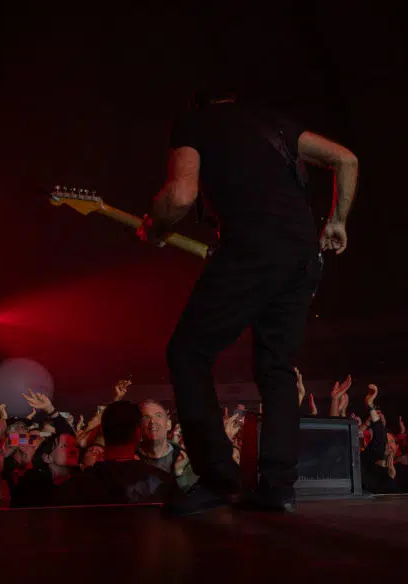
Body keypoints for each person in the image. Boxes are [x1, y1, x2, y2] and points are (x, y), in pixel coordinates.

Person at [138, 86, 358, 515]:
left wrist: (156, 226)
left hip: (254, 246)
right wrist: (337, 221)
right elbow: (346, 159)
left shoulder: (194, 123)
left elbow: (180, 195)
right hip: (302, 254)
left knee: (187, 353)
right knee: (277, 367)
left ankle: (218, 478)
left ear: (199, 103)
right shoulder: (273, 122)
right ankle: (278, 488)